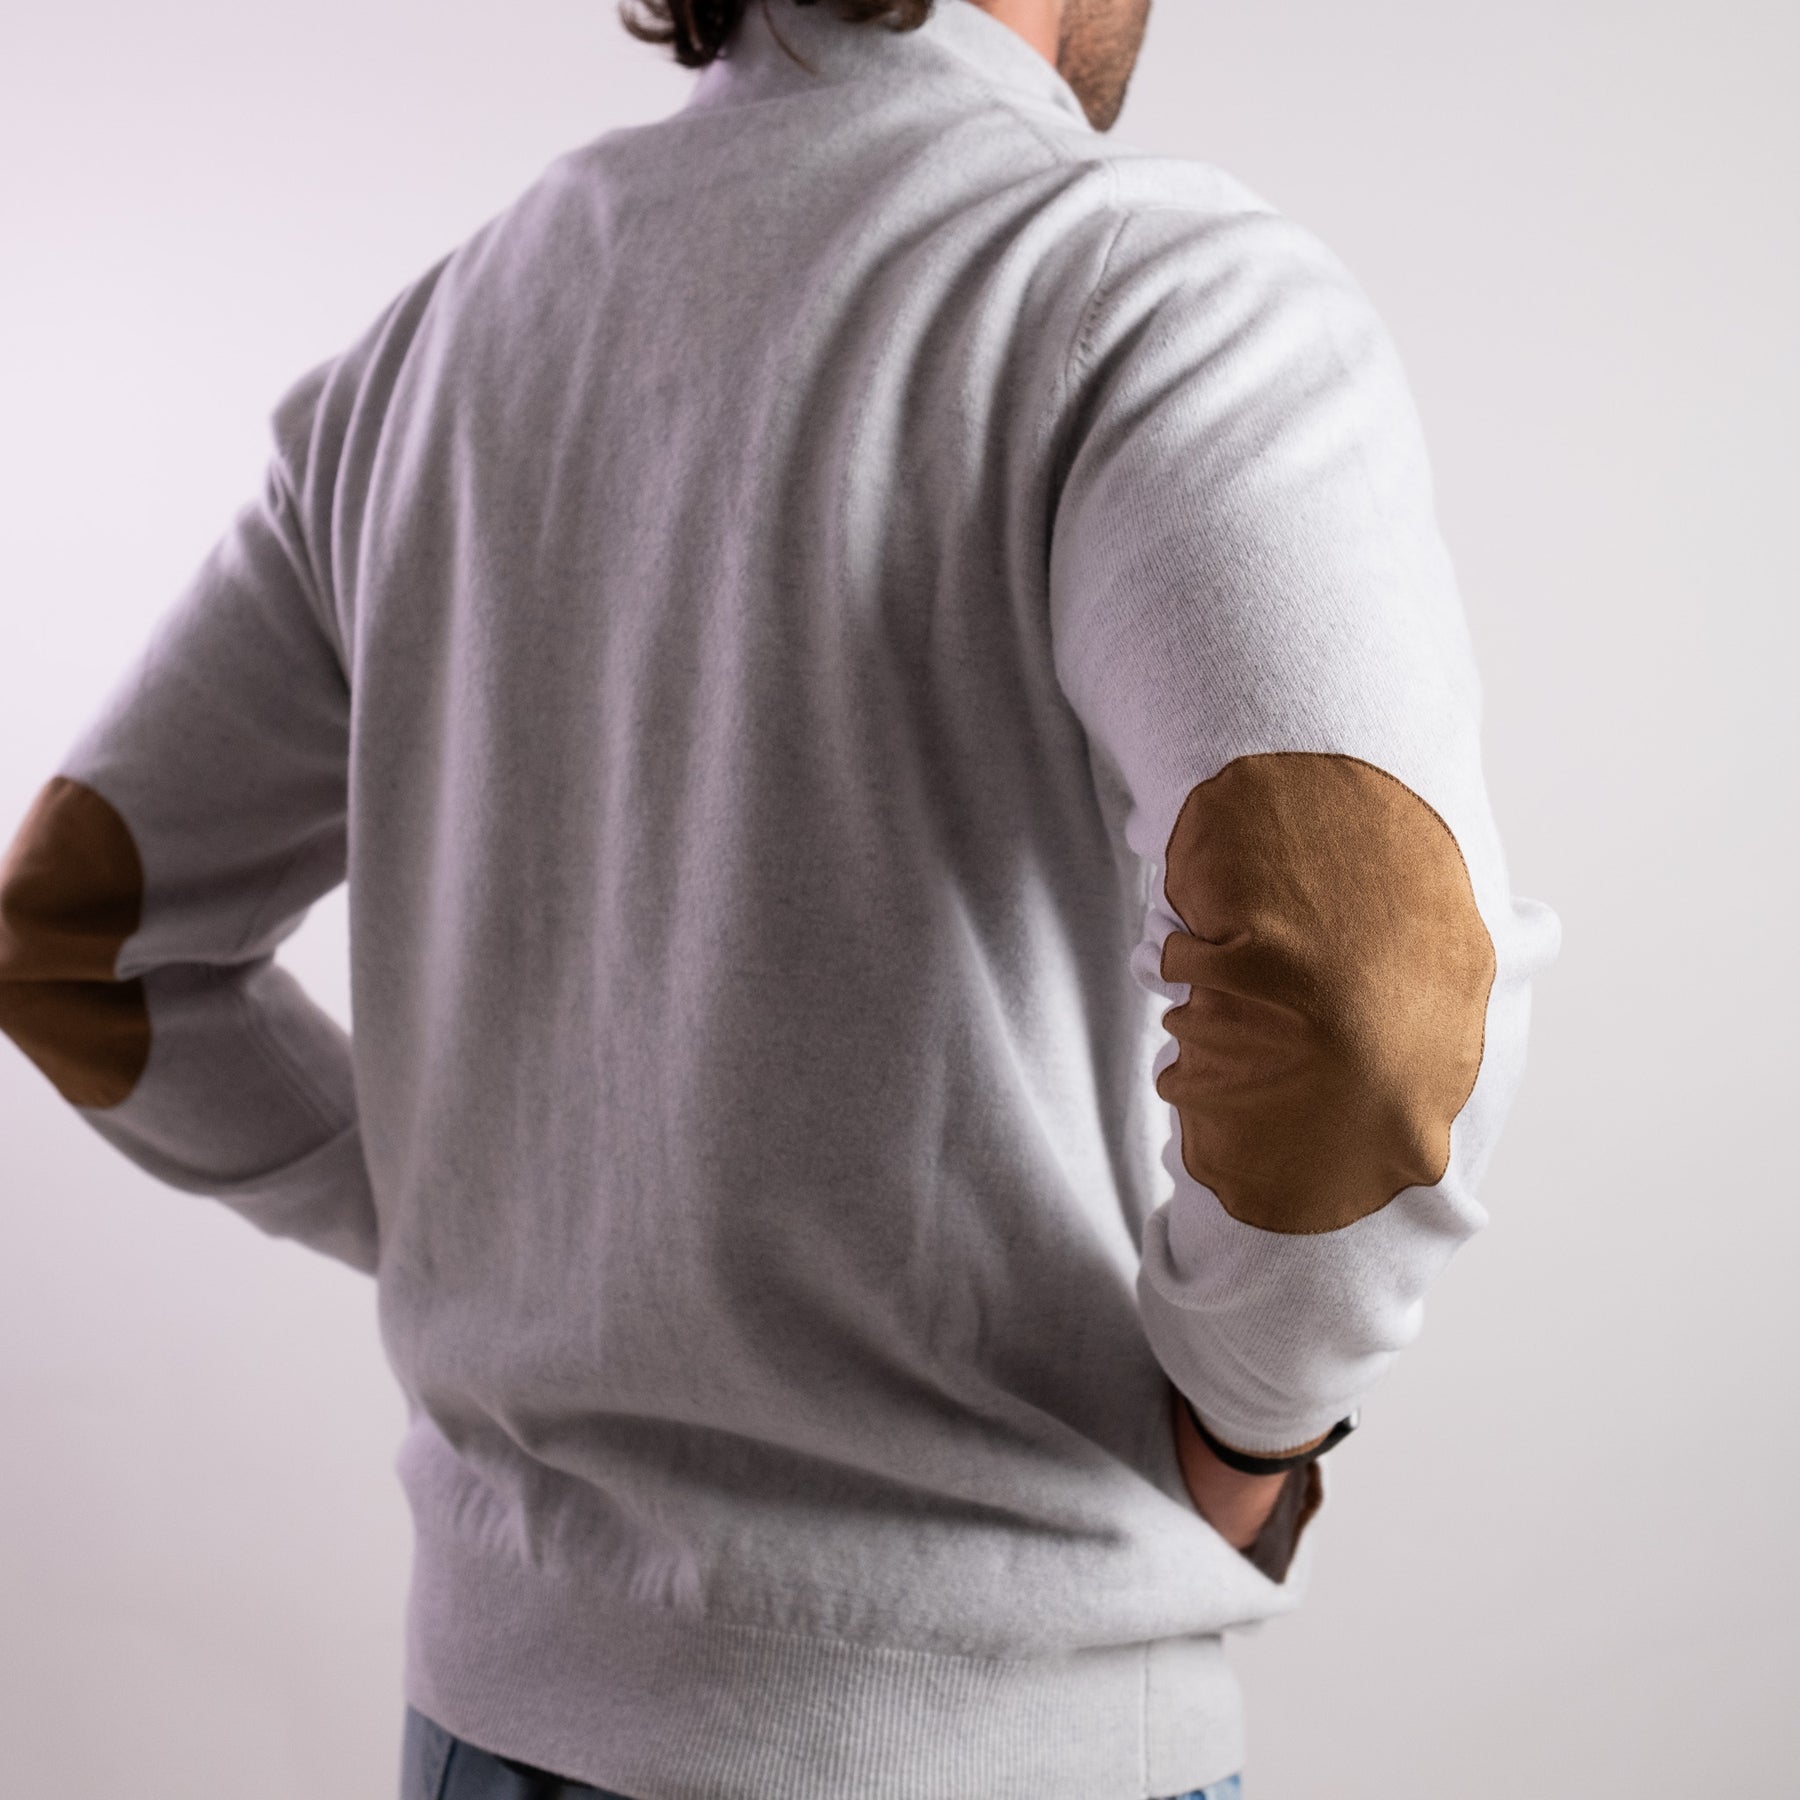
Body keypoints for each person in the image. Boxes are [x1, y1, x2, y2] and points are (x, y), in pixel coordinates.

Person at [0, 0, 1559, 1794]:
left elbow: (73, 937)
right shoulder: (1136, 289)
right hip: (987, 1730)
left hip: (491, 1715)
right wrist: (1250, 1428)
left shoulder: (432, 352)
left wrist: (497, 1229)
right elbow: (1373, 977)